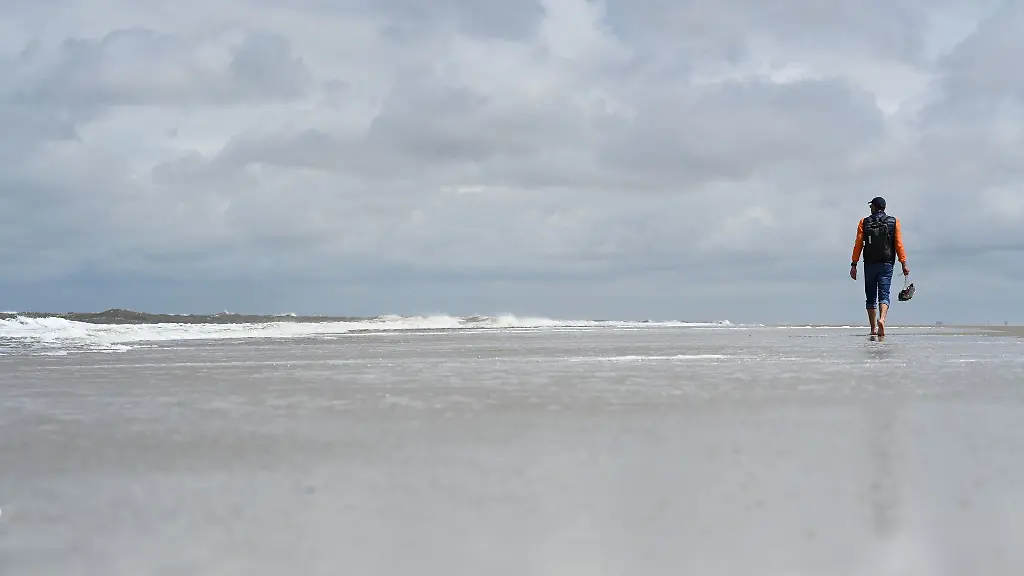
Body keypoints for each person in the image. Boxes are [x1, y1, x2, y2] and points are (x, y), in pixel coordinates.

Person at [850, 197, 909, 337]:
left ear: (874, 207)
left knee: (870, 296)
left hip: (869, 263)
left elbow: (858, 244)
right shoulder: (894, 222)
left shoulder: (864, 222)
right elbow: (899, 244)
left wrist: (854, 264)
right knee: (884, 293)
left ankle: (873, 328)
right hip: (887, 263)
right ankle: (881, 320)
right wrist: (904, 263)